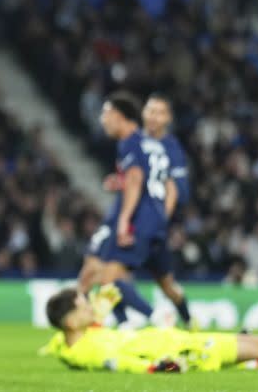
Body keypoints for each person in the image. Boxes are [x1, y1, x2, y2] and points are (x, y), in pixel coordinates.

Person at [42, 287, 258, 374]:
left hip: (176, 339)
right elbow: (116, 362)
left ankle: (250, 363)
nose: (91, 307)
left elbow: (58, 343)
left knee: (252, 345)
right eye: (83, 305)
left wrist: (94, 314)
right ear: (71, 320)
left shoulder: (69, 342)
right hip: (183, 351)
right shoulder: (89, 348)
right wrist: (155, 367)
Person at [77, 91, 192, 328]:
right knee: (109, 276)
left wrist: (124, 220)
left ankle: (155, 317)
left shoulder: (133, 142)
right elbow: (158, 182)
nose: (103, 120)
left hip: (141, 219)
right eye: (150, 110)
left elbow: (140, 179)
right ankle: (124, 326)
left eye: (107, 114)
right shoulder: (150, 145)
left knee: (109, 280)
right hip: (151, 219)